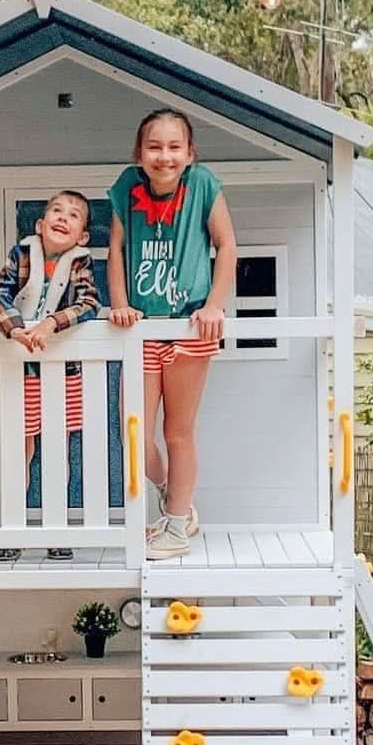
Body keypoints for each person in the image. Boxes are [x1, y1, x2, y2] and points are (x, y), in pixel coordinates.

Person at [107, 109, 237, 560]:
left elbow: (226, 245)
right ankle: (171, 495)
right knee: (135, 434)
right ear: (139, 153)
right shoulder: (127, 186)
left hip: (187, 325)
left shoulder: (202, 185)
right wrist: (120, 302)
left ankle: (177, 527)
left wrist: (214, 304)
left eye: (174, 147)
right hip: (141, 329)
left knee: (178, 431)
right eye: (154, 147)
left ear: (190, 153)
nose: (164, 156)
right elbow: (116, 249)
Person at [0, 190, 100, 562]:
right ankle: (13, 528)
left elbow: (89, 303)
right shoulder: (21, 254)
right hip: (21, 367)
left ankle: (56, 528)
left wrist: (51, 323)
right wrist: (16, 329)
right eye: (56, 211)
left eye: (74, 215)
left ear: (82, 235)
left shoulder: (80, 262)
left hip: (63, 371)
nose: (63, 218)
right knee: (19, 448)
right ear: (40, 224)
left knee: (57, 448)